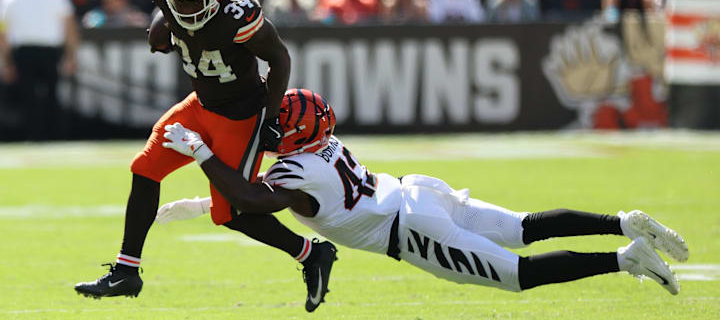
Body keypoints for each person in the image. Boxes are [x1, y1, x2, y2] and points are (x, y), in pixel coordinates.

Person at [157, 89, 689, 305]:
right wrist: (206, 205)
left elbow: (257, 200)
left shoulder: (295, 170)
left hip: (411, 231)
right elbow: (273, 196)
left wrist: (203, 155)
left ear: (296, 136)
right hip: (417, 192)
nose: (271, 134)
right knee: (526, 226)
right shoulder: (324, 147)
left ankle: (624, 258)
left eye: (278, 128)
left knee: (520, 274)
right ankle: (622, 222)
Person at [74, 0, 336, 313]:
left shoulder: (239, 13)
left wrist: (272, 117)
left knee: (229, 213)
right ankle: (126, 270)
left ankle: (311, 254)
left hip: (241, 115)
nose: (186, 9)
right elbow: (165, 24)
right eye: (177, 2)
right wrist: (163, 31)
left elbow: (279, 59)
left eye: (194, 1)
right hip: (200, 104)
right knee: (144, 167)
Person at [0, 0, 79, 140]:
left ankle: (34, 135)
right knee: (50, 94)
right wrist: (71, 56)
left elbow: (2, 32)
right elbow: (70, 27)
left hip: (24, 52)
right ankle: (52, 135)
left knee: (29, 96)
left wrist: (5, 61)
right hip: (50, 51)